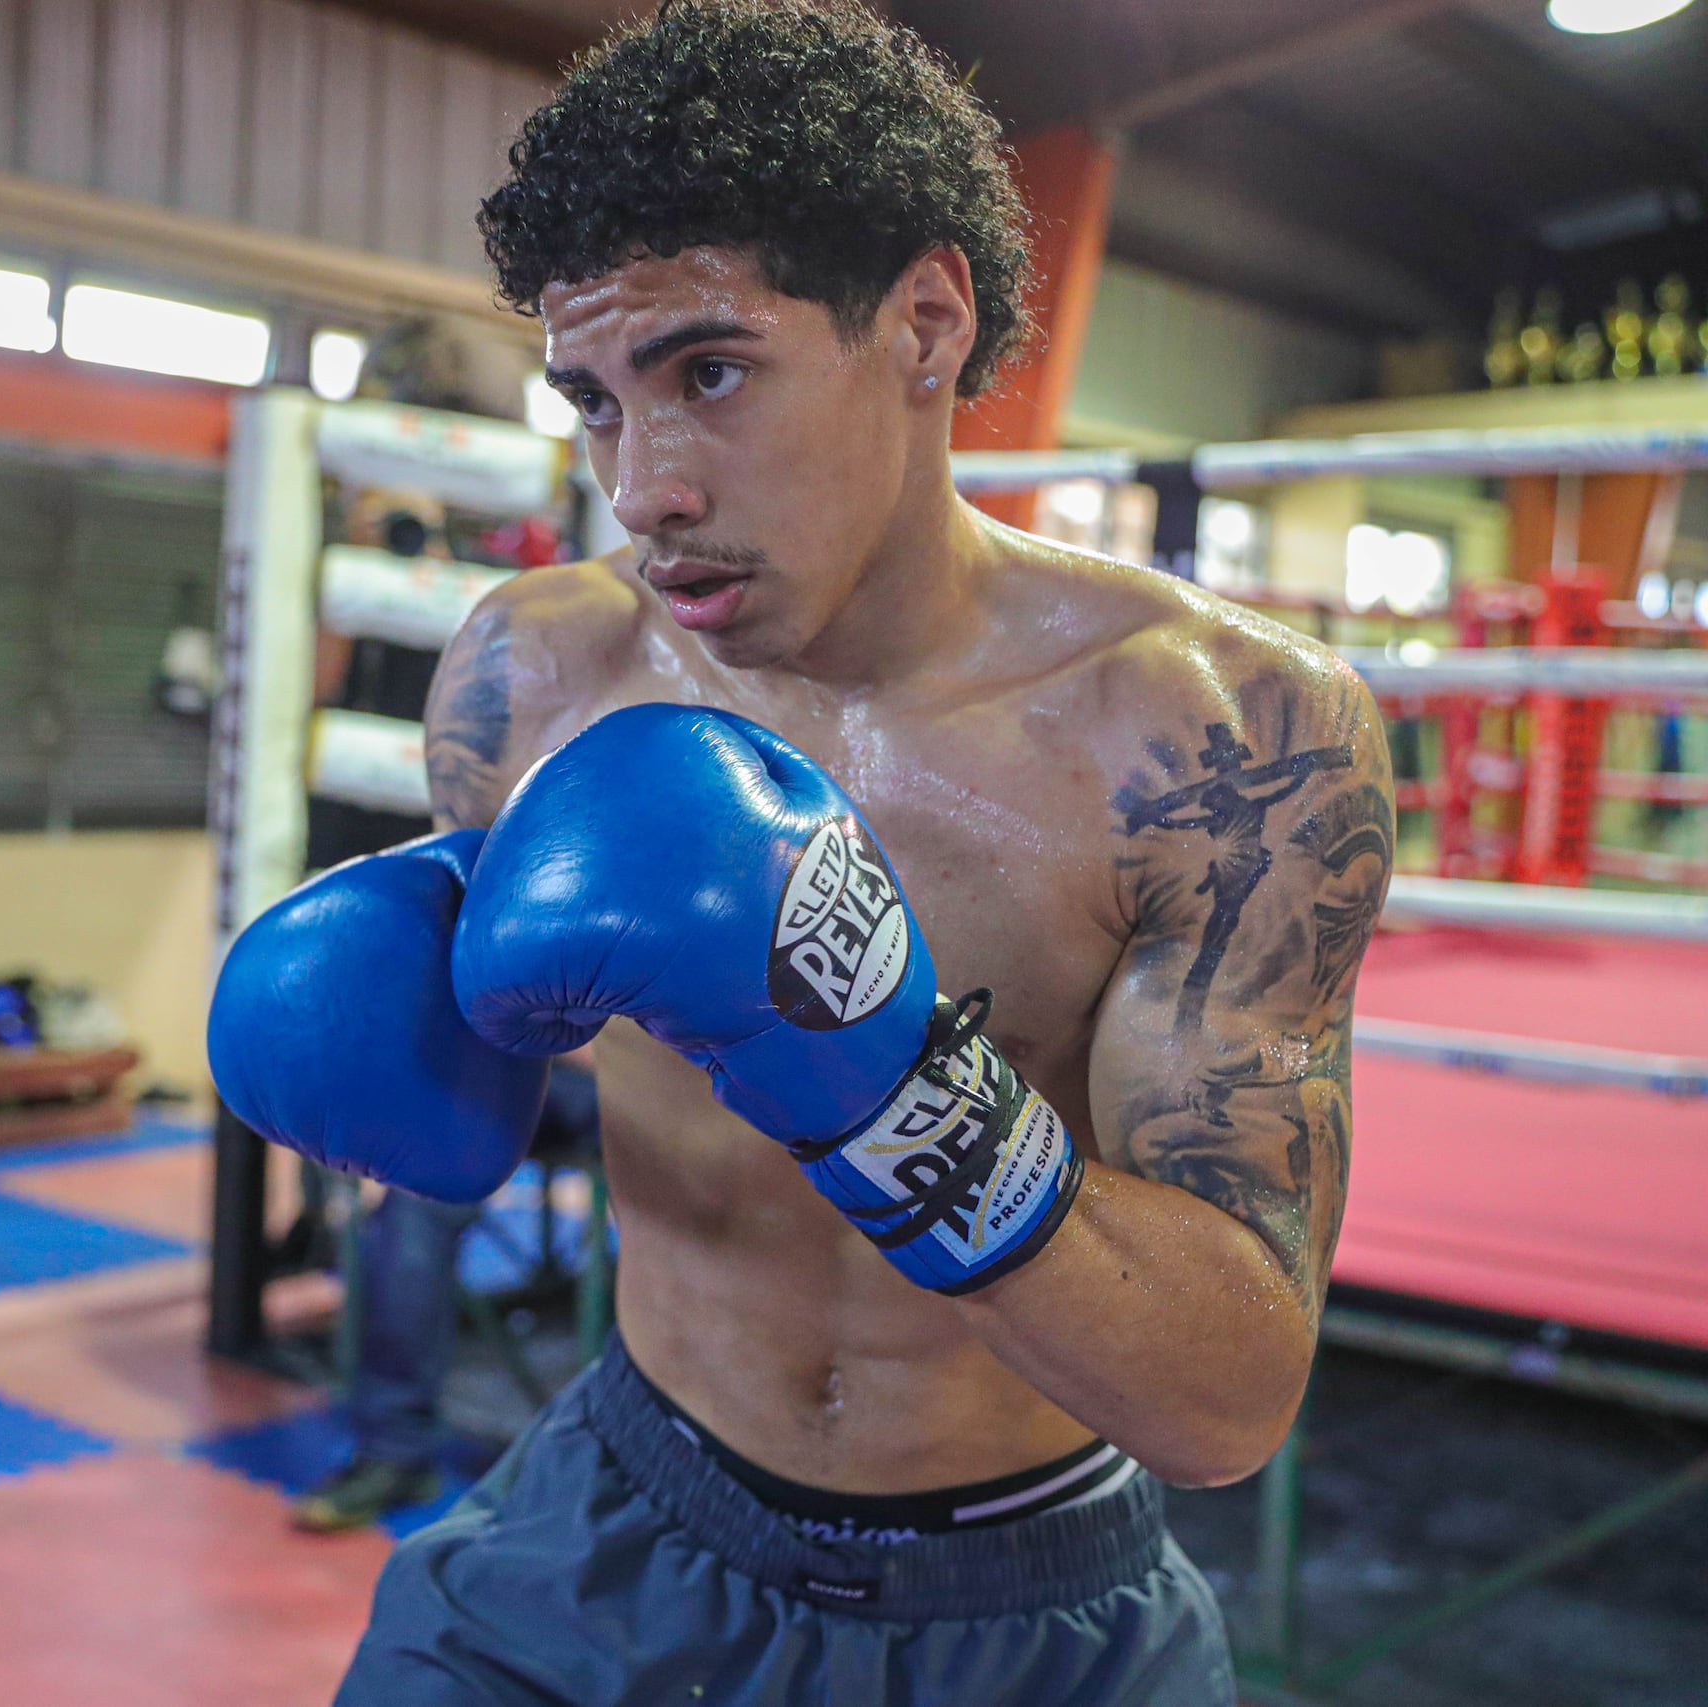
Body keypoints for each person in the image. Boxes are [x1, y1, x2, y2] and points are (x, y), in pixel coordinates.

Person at [209, 3, 1393, 1700]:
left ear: (923, 321)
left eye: (709, 370)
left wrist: (885, 1081)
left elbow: (1227, 1399)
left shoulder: (1223, 744)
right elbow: (509, 1081)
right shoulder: (532, 675)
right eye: (597, 402)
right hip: (616, 1522)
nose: (646, 486)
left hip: (1035, 1599)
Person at [289, 1056, 600, 1533]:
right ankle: (396, 1451)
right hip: (528, 1071)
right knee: (416, 1196)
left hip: (674, 1079)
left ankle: (674, 1462)